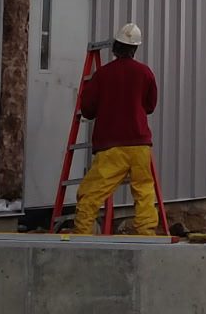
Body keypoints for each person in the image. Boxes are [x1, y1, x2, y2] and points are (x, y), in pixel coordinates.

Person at [69, 22, 162, 236]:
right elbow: (149, 106)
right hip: (140, 145)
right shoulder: (145, 73)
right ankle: (147, 234)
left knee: (91, 193)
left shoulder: (102, 75)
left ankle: (81, 234)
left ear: (115, 47)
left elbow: (88, 110)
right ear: (135, 48)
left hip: (112, 146)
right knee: (144, 191)